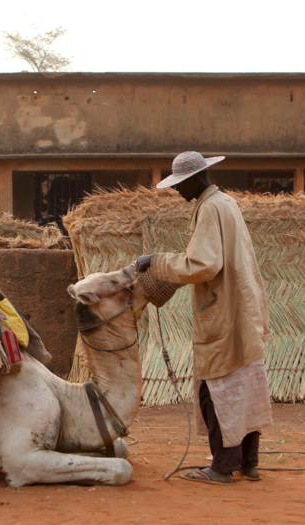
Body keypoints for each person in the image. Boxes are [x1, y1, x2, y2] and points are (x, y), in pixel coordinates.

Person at [136, 151, 272, 485]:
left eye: (181, 185)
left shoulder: (210, 208)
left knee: (216, 392)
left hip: (224, 313)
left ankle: (222, 467)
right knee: (245, 387)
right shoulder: (225, 202)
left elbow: (204, 265)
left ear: (197, 178)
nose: (178, 192)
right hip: (241, 308)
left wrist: (158, 261)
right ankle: (248, 463)